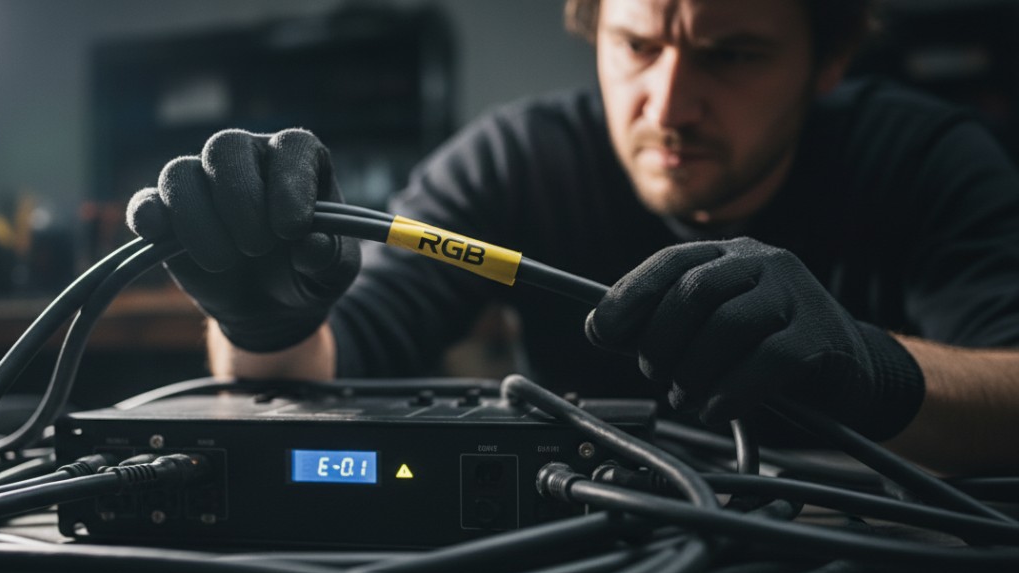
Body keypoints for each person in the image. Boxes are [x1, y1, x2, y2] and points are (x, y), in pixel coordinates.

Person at [127, 0, 1019, 475]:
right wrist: (265, 323)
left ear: (829, 60)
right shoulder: (515, 158)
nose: (667, 107)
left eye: (732, 55)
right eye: (636, 46)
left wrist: (871, 372)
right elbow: (332, 362)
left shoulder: (923, 156)